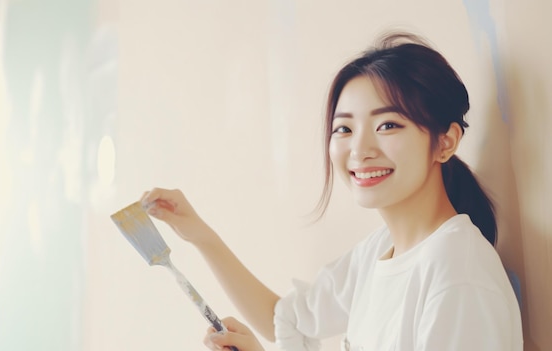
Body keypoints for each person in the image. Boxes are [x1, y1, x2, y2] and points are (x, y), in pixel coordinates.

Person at [140, 32, 523, 351]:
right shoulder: (380, 252)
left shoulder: (458, 276)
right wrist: (199, 235)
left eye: (388, 125)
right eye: (344, 129)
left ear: (445, 142)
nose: (360, 149)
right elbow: (288, 319)